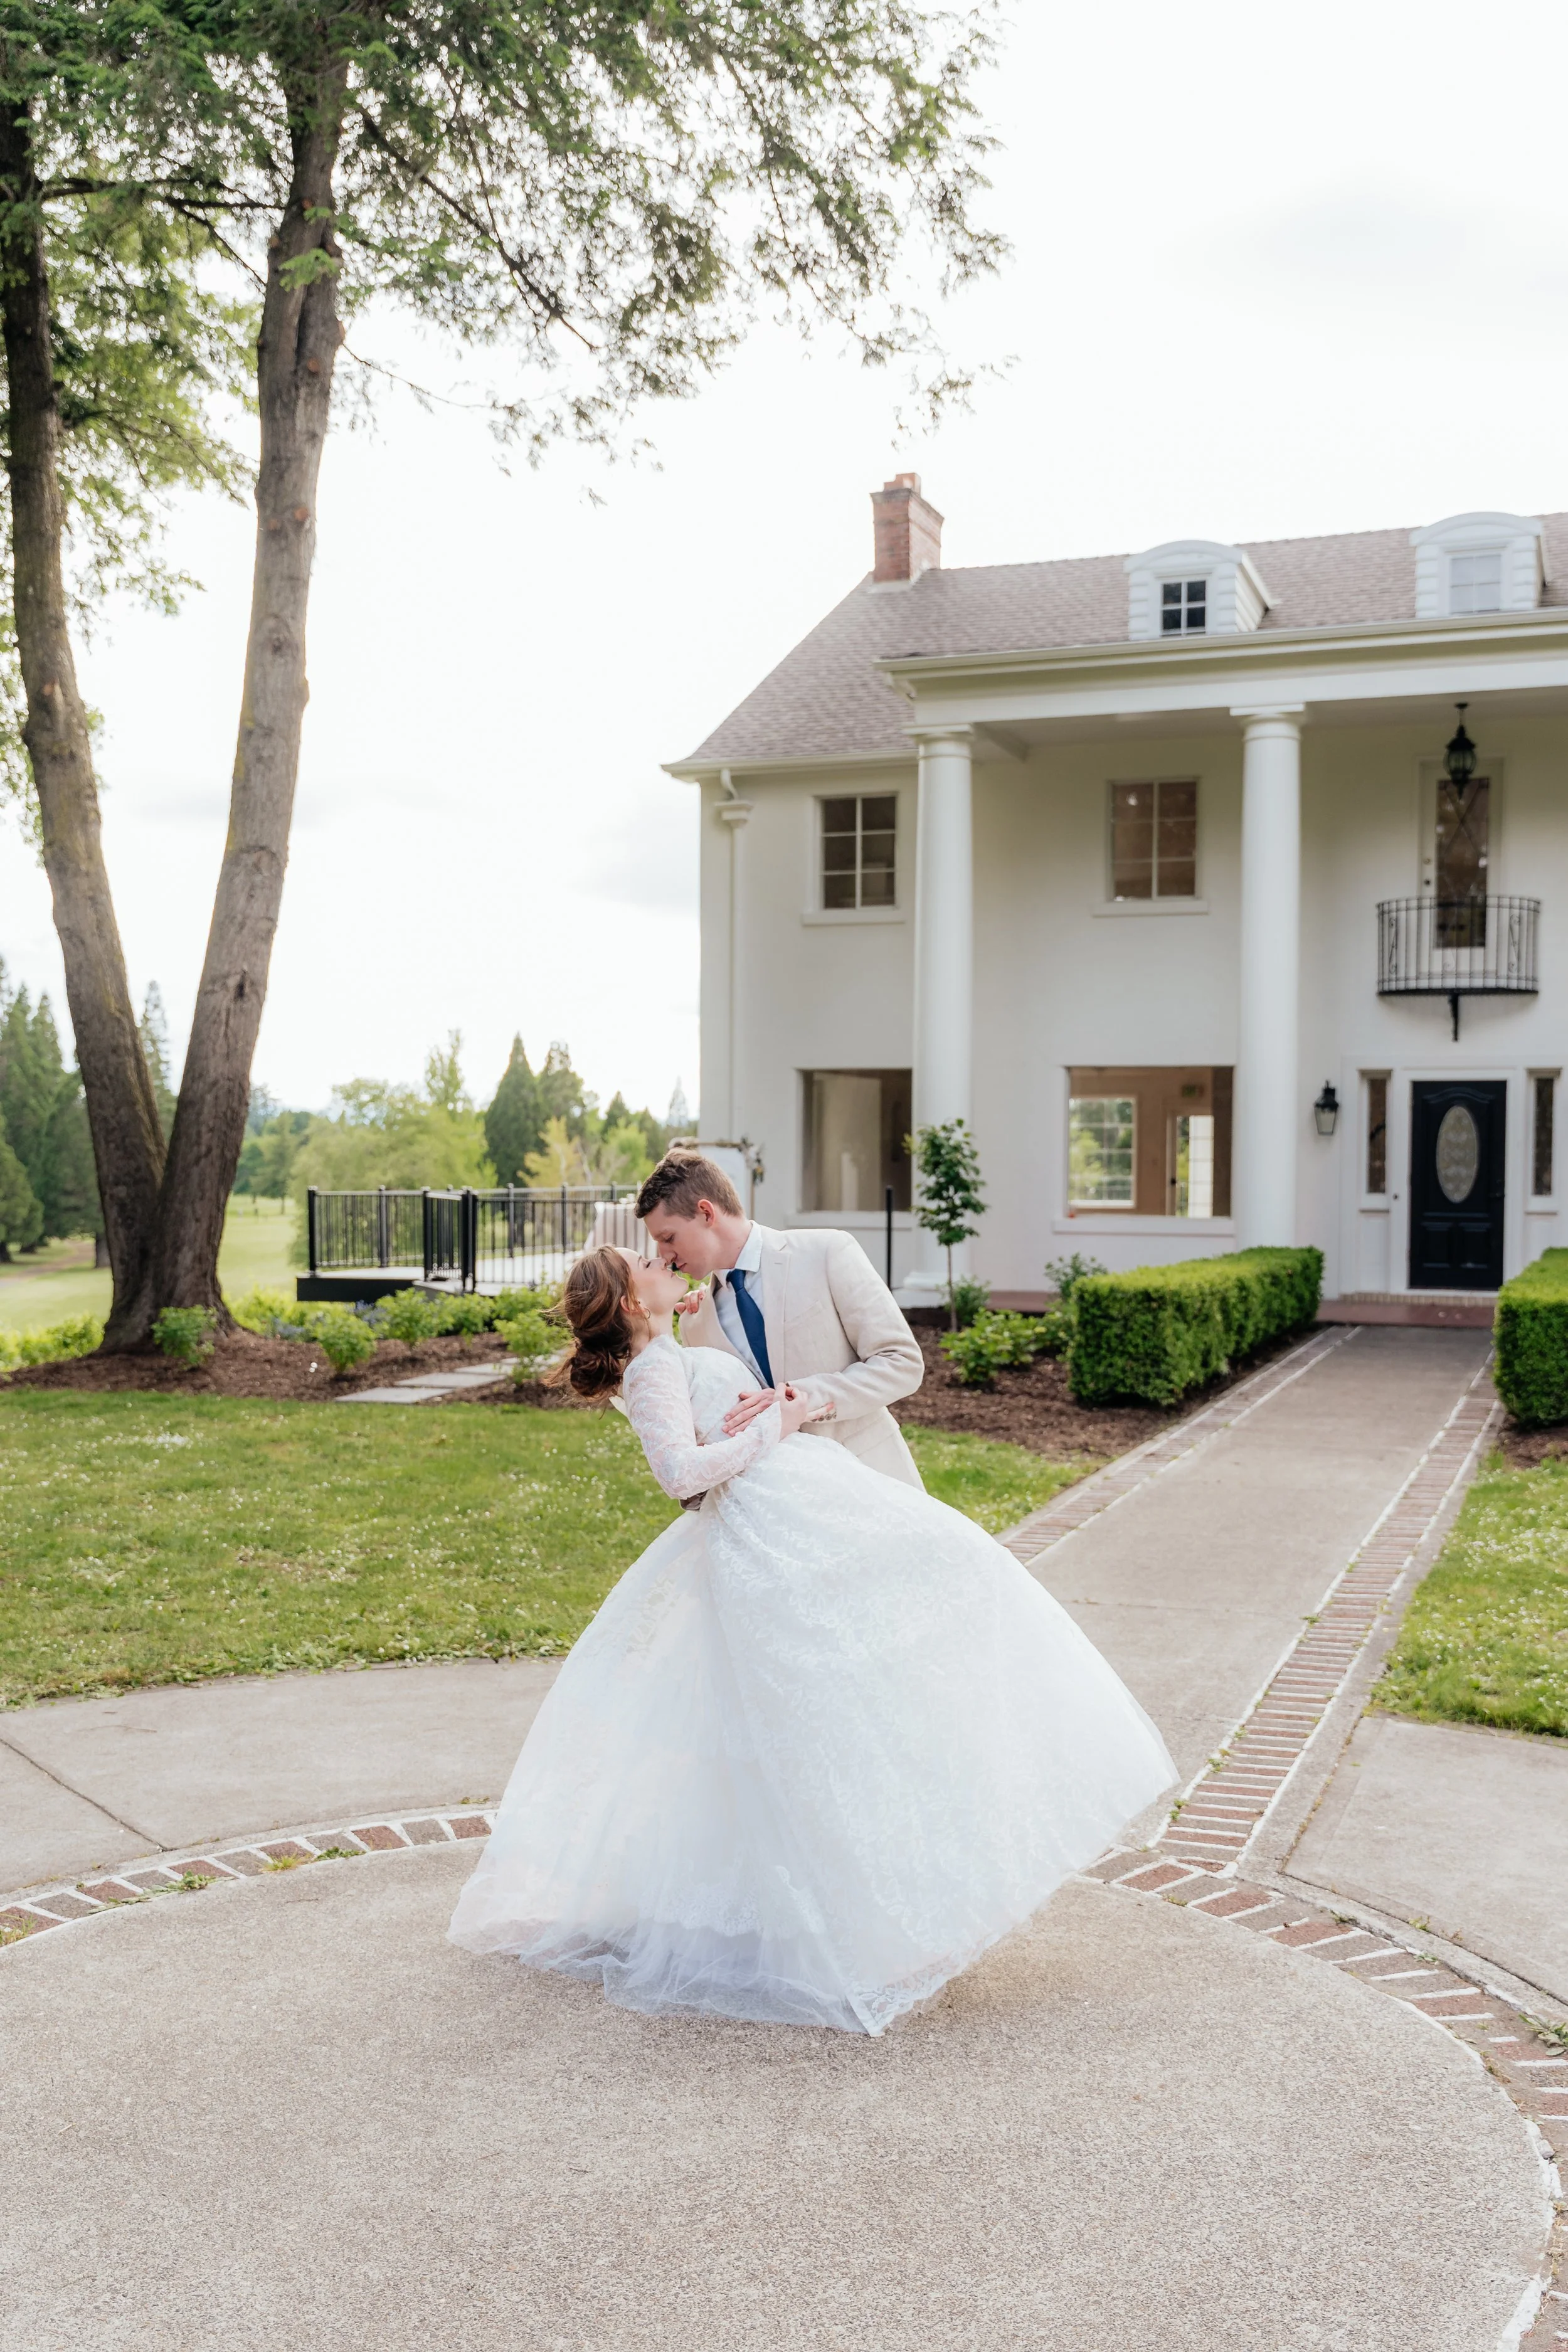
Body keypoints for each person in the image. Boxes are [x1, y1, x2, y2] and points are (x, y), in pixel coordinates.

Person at [448, 1246, 1176, 2035]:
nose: (666, 1261)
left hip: (800, 1505)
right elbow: (681, 1474)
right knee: (827, 1709)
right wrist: (779, 1424)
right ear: (630, 1301)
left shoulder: (667, 1352)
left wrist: (686, 1338)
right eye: (648, 1263)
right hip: (769, 1527)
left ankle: (879, 1905)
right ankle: (858, 1919)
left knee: (902, 1637)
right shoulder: (656, 1368)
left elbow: (698, 1403)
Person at [633, 1150, 926, 1488]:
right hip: (780, 1504)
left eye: (668, 1238)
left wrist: (802, 1399)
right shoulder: (695, 1322)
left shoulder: (826, 1252)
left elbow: (902, 1362)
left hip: (873, 1478)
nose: (664, 1256)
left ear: (705, 1212)